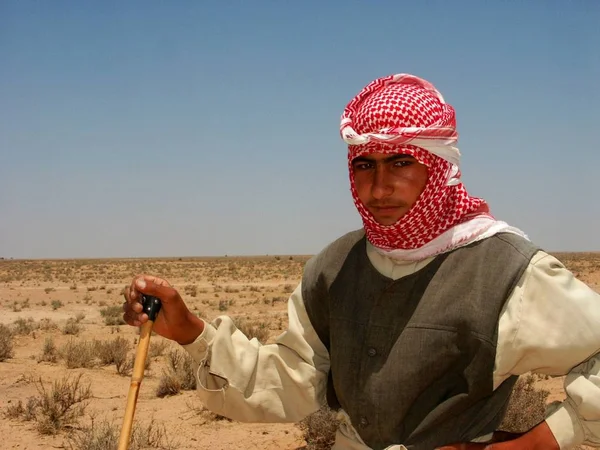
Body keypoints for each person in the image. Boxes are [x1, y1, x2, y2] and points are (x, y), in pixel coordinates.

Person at [123, 73, 600, 450]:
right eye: (364, 165)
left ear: (438, 167)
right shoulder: (335, 266)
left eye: (400, 162)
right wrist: (188, 330)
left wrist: (539, 442)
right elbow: (291, 381)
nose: (378, 187)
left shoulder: (504, 270)